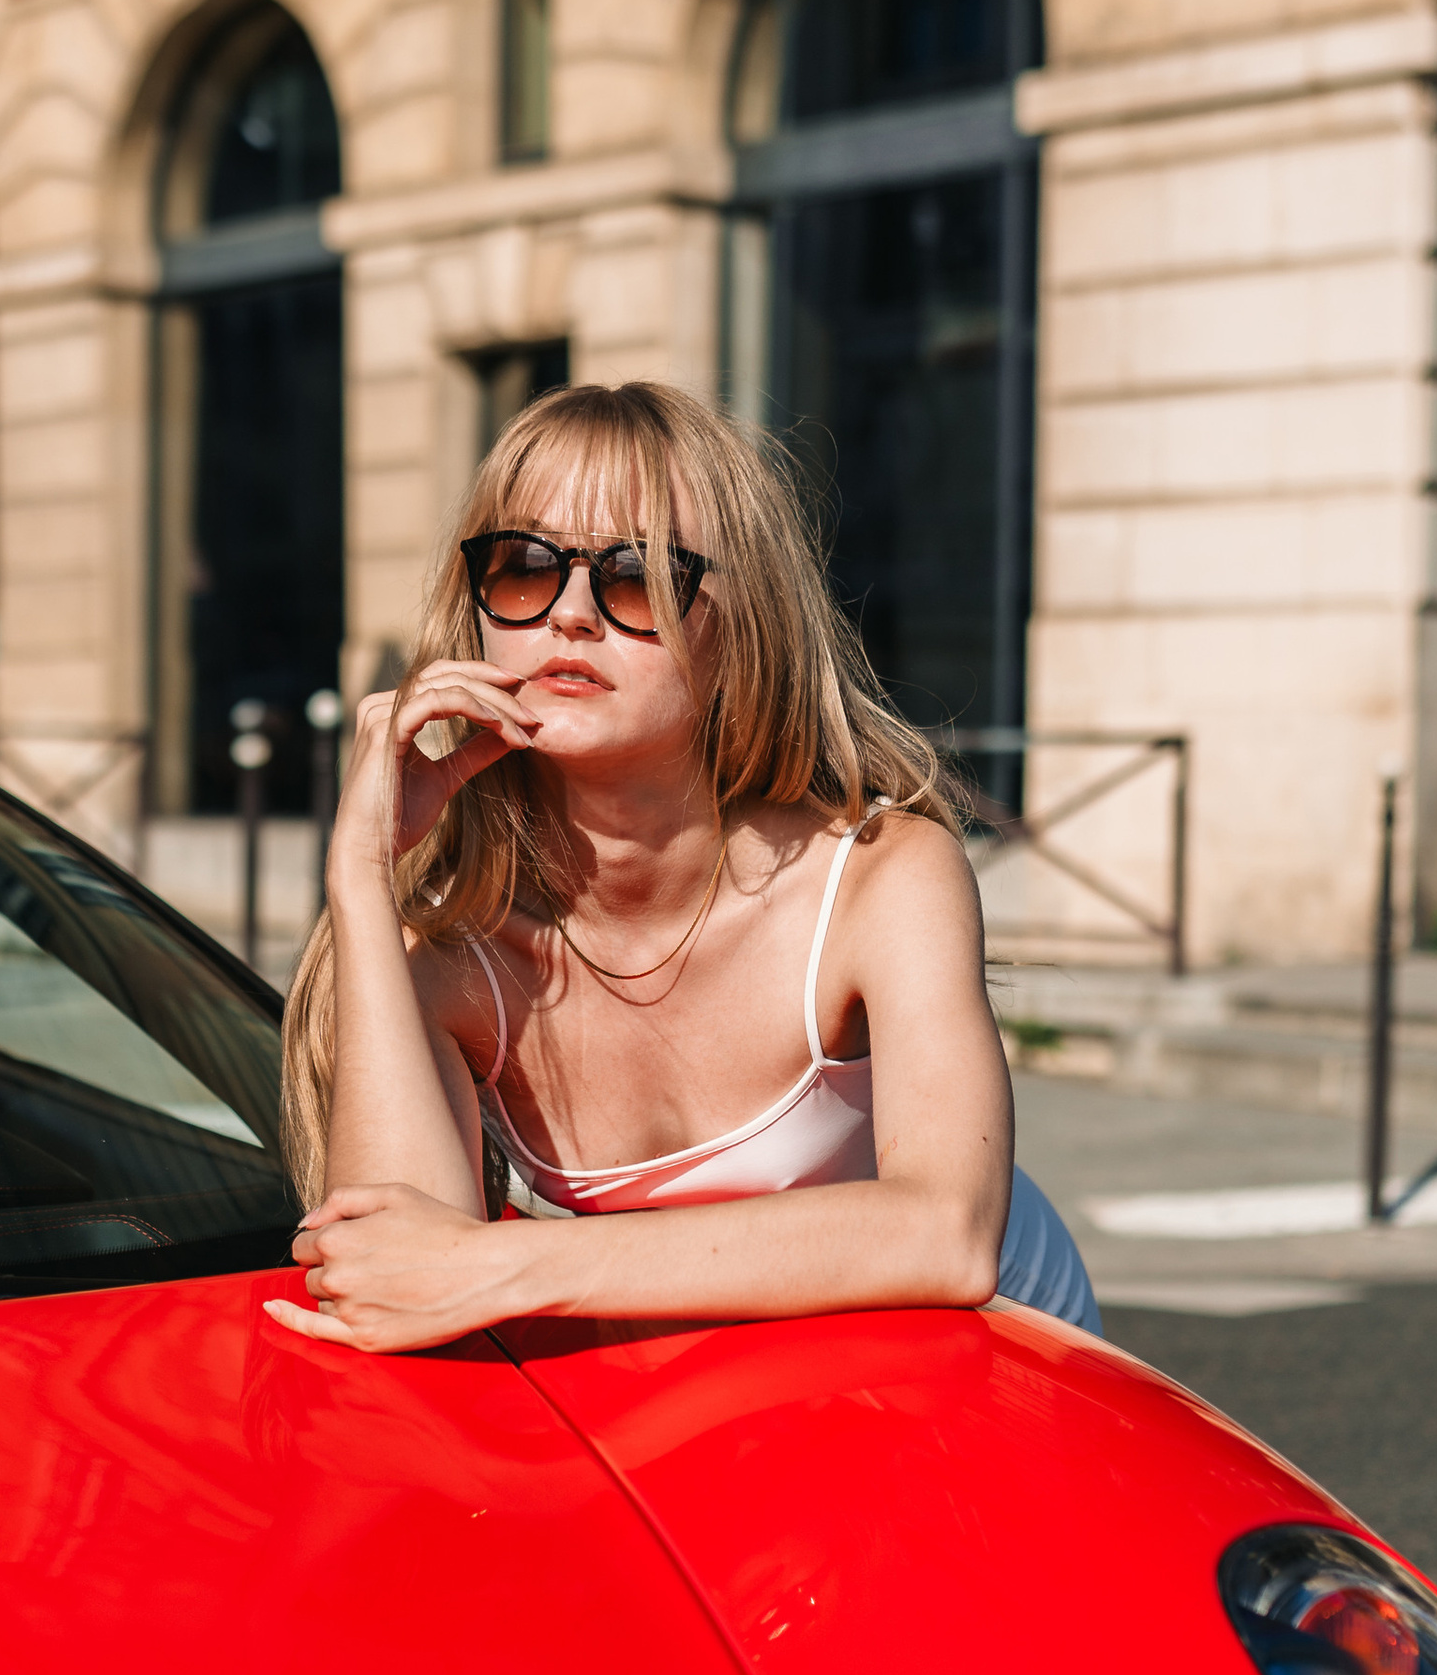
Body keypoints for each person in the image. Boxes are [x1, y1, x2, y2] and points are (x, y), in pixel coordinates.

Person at [269, 378, 1099, 1356]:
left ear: (742, 628)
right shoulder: (450, 948)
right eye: (526, 568)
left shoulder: (880, 875)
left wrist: (506, 1267)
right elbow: (399, 1275)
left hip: (992, 1355)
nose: (570, 613)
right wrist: (362, 883)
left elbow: (944, 1234)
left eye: (637, 578)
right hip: (729, 1380)